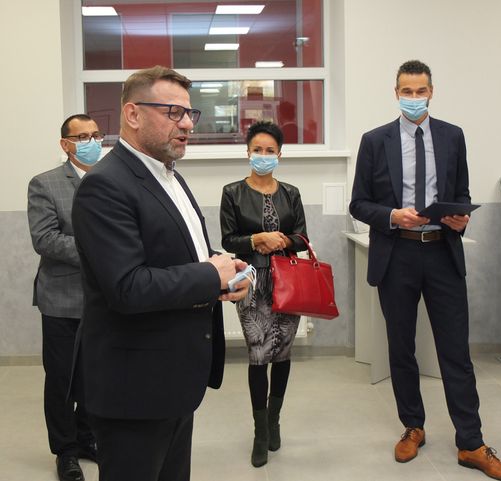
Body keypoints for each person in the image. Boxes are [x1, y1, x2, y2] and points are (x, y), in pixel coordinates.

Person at [70, 66, 250, 481]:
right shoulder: (105, 185)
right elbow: (127, 287)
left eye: (190, 113)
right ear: (132, 114)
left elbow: (185, 255)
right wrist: (210, 276)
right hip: (133, 387)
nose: (187, 124)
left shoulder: (169, 176)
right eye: (173, 112)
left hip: (174, 378)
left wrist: (230, 271)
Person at [349, 60, 501, 481]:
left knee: (455, 352)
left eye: (420, 90)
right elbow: (359, 203)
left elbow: (460, 193)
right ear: (396, 93)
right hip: (397, 255)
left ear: (432, 91)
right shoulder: (375, 141)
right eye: (407, 91)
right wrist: (392, 216)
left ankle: (471, 443)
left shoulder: (452, 136)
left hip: (442, 253)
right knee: (401, 347)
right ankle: (413, 426)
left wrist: (461, 219)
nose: (414, 98)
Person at [220, 121, 308, 468]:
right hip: (251, 280)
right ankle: (259, 432)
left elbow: (302, 237)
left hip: (288, 281)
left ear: (279, 155)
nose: (263, 155)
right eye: (258, 149)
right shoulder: (232, 192)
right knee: (258, 353)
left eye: (270, 150)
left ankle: (274, 421)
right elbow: (228, 239)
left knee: (283, 351)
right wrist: (257, 239)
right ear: (248, 152)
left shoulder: (291, 193)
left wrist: (283, 239)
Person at [27, 114, 102, 481]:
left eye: (96, 135)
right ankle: (66, 451)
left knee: (94, 376)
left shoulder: (109, 180)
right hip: (61, 299)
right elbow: (45, 239)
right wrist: (99, 251)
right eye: (82, 136)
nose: (91, 142)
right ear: (66, 144)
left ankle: (87, 438)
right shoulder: (45, 183)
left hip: (102, 299)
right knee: (61, 380)